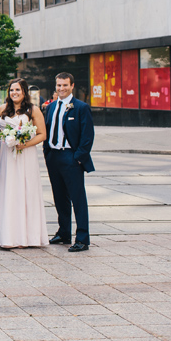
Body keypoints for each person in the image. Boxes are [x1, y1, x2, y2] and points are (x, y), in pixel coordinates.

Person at [0, 78, 48, 249]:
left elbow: (42, 134)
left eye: (17, 90)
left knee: (25, 191)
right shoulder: (2, 109)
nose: (14, 93)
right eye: (11, 90)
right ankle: (7, 236)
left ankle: (27, 237)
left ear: (24, 91)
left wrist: (24, 143)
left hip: (25, 156)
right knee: (8, 192)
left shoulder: (33, 110)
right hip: (7, 157)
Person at [43, 72, 95, 252]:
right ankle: (64, 232)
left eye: (65, 85)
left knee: (77, 199)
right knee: (59, 197)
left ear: (72, 86)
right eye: (58, 85)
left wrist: (78, 158)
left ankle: (82, 238)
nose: (61, 88)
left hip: (71, 157)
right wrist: (47, 153)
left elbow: (87, 137)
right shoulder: (50, 107)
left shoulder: (81, 107)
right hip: (53, 157)